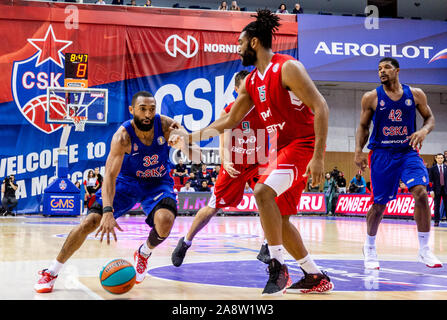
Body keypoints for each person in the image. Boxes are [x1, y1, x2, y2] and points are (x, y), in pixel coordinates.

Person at [172, 10, 333, 296]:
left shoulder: (288, 68)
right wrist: (190, 135)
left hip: (304, 145)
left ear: (255, 42)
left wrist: (319, 157)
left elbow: (321, 106)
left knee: (262, 192)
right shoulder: (251, 82)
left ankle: (277, 265)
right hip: (285, 148)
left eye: (240, 42)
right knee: (280, 220)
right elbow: (228, 121)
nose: (237, 47)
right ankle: (314, 275)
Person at [34, 91, 200, 293]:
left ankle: (144, 253)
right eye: (143, 109)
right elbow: (110, 177)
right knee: (89, 222)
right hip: (126, 183)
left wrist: (184, 143)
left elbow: (197, 157)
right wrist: (107, 211)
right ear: (132, 111)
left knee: (165, 221)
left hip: (157, 183)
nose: (148, 114)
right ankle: (51, 271)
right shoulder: (122, 137)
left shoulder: (167, 126)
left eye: (152, 109)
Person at [171, 70, 305, 275]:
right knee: (212, 207)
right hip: (234, 164)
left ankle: (267, 245)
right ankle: (186, 241)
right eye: (245, 89)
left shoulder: (266, 108)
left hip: (258, 163)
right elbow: (222, 136)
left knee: (270, 204)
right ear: (236, 90)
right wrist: (225, 160)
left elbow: (277, 134)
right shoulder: (230, 111)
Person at [354, 57, 442, 270]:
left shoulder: (416, 94)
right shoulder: (371, 97)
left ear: (397, 70)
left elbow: (430, 118)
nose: (382, 72)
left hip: (407, 151)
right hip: (382, 154)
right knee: (379, 205)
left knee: (421, 192)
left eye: (386, 68)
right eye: (379, 69)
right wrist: (358, 151)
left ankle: (424, 249)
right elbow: (364, 126)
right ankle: (370, 246)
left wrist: (423, 130)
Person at [429, 153, 447, 226]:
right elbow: (430, 180)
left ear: (443, 159)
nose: (440, 159)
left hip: (445, 189)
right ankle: (436, 220)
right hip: (436, 190)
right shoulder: (432, 169)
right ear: (436, 159)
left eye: (441, 158)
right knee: (436, 206)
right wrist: (431, 190)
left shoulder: (446, 167)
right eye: (438, 158)